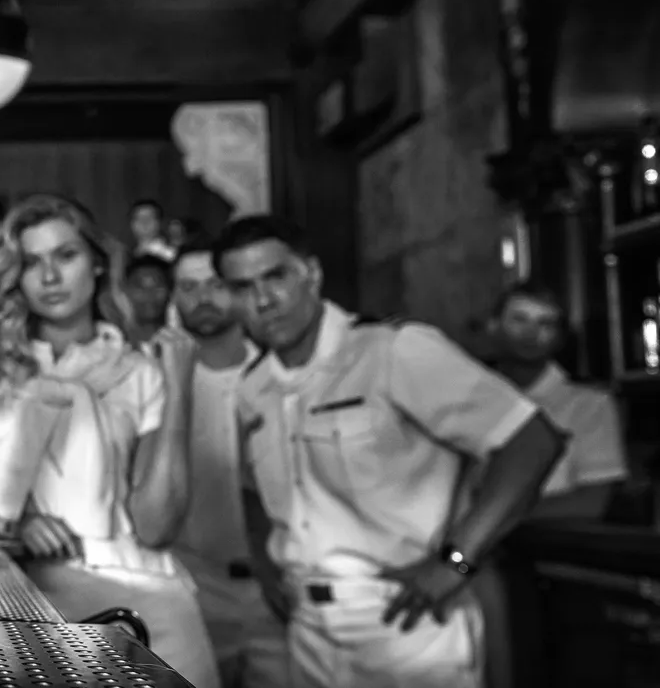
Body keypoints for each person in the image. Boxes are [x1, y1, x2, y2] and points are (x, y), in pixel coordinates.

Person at [215, 215, 563, 688]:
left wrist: (456, 562)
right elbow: (253, 489)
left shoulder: (392, 351)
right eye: (242, 287)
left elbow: (531, 441)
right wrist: (265, 564)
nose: (262, 300)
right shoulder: (254, 387)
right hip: (308, 629)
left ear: (311, 274)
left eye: (275, 277)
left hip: (406, 620)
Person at [0, 194, 218, 688]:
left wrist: (179, 392)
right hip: (21, 598)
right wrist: (12, 524)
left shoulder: (138, 369)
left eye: (66, 255)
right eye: (31, 262)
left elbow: (156, 527)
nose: (49, 277)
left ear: (98, 263)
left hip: (145, 597)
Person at [168, 239, 287, 688]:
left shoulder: (280, 374)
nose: (203, 298)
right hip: (190, 586)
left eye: (215, 285)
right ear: (174, 297)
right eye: (188, 287)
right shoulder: (157, 383)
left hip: (277, 588)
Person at [488, 280, 628, 519]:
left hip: (550, 537)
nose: (530, 333)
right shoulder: (472, 396)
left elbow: (592, 502)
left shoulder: (590, 405)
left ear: (559, 338)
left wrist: (488, 522)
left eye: (545, 324)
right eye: (519, 319)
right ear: (494, 326)